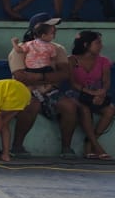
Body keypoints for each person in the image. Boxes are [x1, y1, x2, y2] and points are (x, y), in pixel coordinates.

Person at [5, 15, 79, 158]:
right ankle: (17, 146)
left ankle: (66, 148)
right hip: (25, 91)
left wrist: (38, 77)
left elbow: (64, 73)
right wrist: (48, 77)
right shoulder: (22, 48)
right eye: (50, 27)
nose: (54, 29)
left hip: (50, 91)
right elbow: (20, 77)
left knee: (69, 106)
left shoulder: (57, 48)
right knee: (32, 104)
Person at [66, 30, 115, 160]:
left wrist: (101, 93)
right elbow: (73, 83)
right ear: (86, 44)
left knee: (110, 110)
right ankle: (96, 147)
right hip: (78, 94)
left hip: (97, 93)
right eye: (97, 43)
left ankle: (89, 142)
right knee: (84, 109)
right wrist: (90, 92)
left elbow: (106, 82)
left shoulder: (104, 61)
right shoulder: (72, 60)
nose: (101, 46)